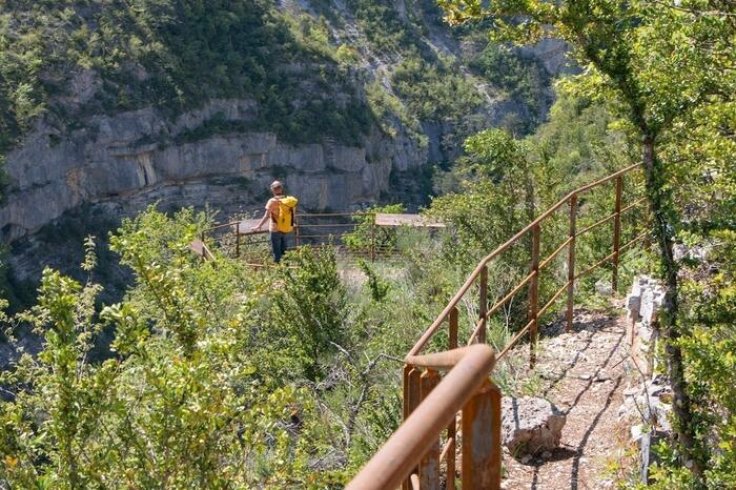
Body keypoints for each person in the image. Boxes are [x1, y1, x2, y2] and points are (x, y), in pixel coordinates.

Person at [252, 180, 297, 263]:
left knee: (277, 253)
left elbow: (266, 216)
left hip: (275, 230)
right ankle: (287, 271)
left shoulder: (272, 201)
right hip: (286, 228)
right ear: (281, 189)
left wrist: (259, 226)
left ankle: (278, 272)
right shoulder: (289, 201)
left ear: (273, 190)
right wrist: (292, 223)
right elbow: (293, 214)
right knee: (285, 251)